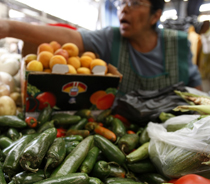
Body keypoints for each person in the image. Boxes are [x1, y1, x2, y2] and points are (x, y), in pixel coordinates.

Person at [0, 0, 202, 95]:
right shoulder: (110, 37)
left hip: (169, 130)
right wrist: (9, 27)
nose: (124, 9)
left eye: (134, 3)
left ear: (156, 15)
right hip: (123, 133)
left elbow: (196, 89)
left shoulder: (178, 43)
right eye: (121, 3)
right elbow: (71, 37)